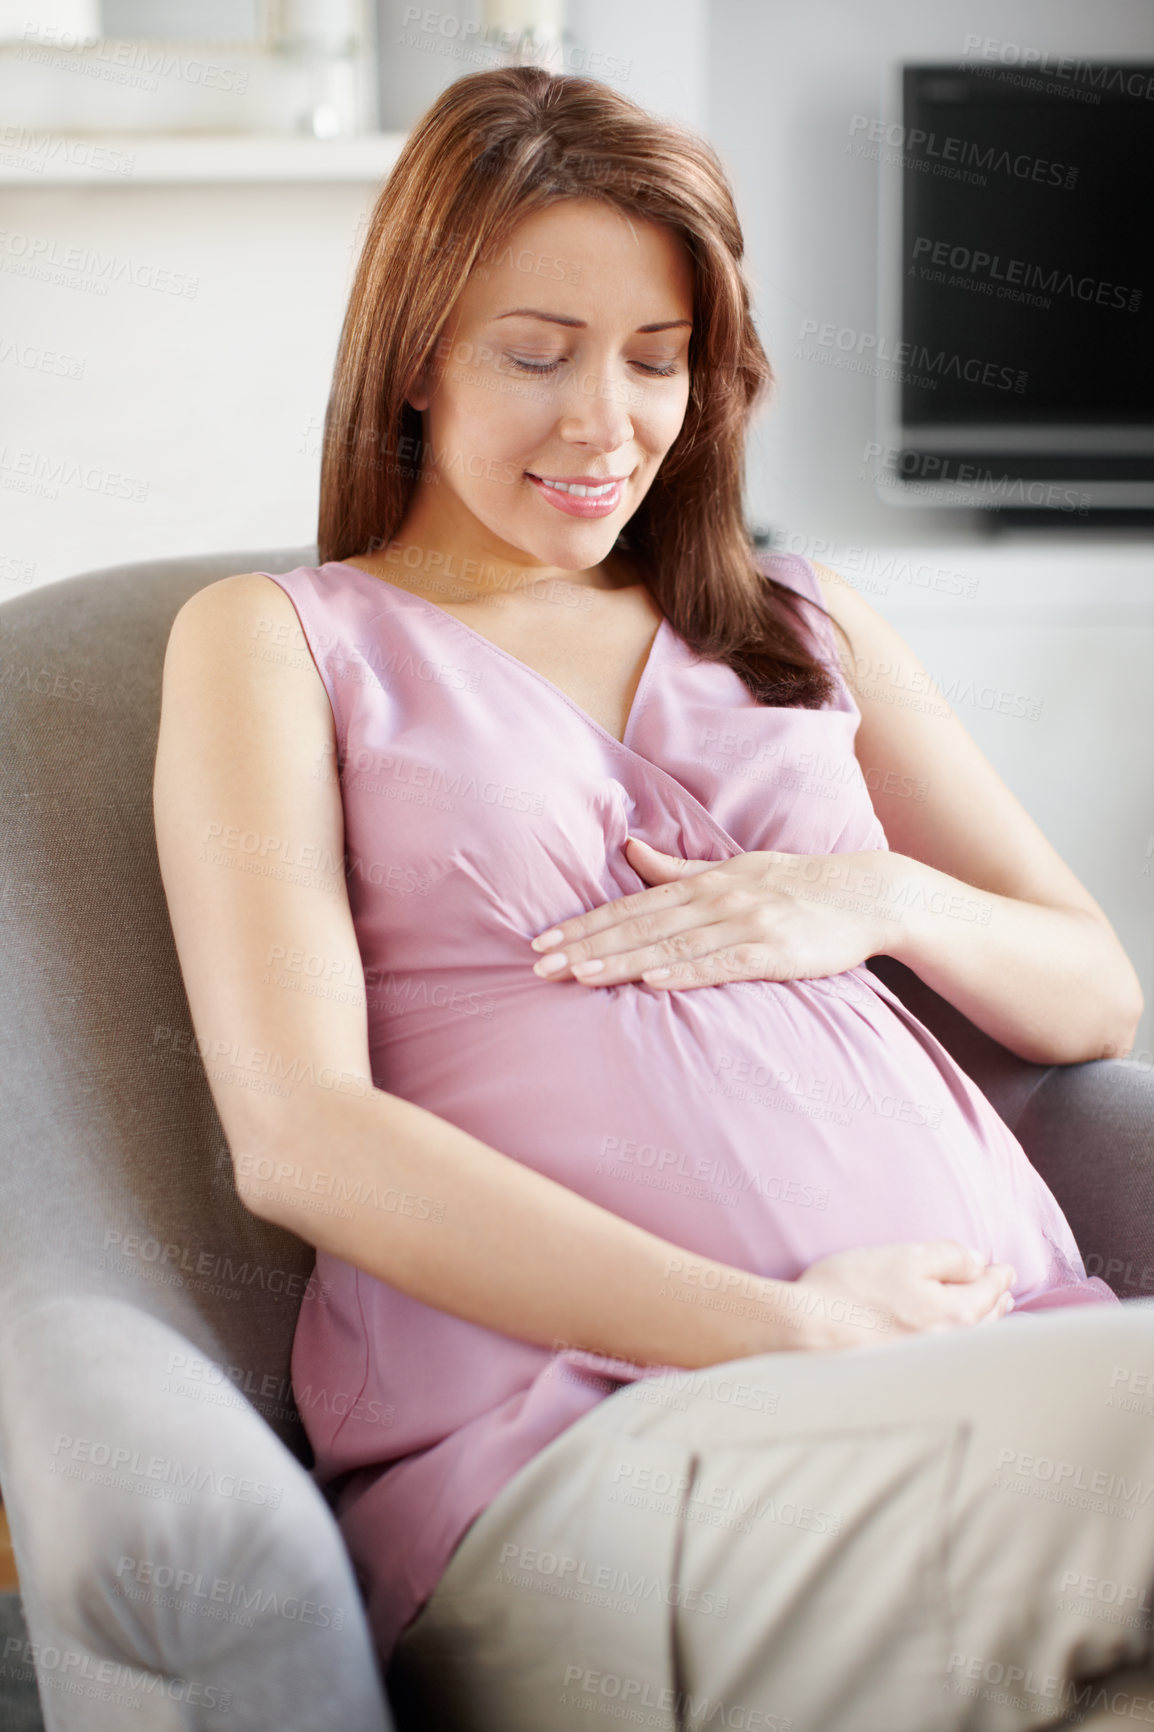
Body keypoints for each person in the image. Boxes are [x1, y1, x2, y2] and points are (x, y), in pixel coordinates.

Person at [153, 64, 1151, 1732]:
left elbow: (1090, 994)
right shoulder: (283, 643)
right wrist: (776, 1327)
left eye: (655, 358)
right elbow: (302, 1136)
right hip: (603, 1450)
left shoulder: (795, 620)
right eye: (534, 354)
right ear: (414, 357)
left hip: (1001, 1370)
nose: (602, 421)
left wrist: (874, 896)